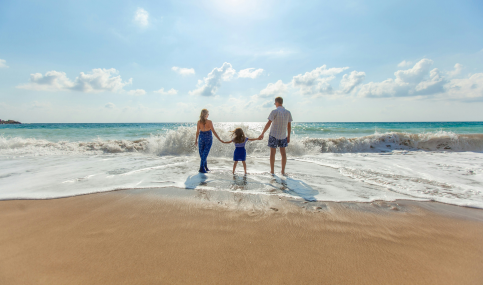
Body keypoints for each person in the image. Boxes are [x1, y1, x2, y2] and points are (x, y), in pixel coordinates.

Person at [258, 97, 293, 175]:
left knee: (272, 153)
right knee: (283, 154)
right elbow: (289, 126)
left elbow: (268, 123)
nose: (275, 105)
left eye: (275, 103)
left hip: (273, 135)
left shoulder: (274, 111)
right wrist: (289, 136)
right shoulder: (288, 112)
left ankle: (272, 171)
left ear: (277, 102)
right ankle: (283, 171)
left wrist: (262, 133)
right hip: (283, 136)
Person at [195, 109, 223, 173]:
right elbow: (213, 131)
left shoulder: (199, 122)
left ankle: (205, 167)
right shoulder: (209, 122)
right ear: (207, 115)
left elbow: (197, 132)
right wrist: (219, 139)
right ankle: (202, 168)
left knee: (203, 154)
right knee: (204, 154)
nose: (208, 115)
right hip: (208, 137)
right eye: (208, 114)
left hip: (201, 137)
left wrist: (196, 140)